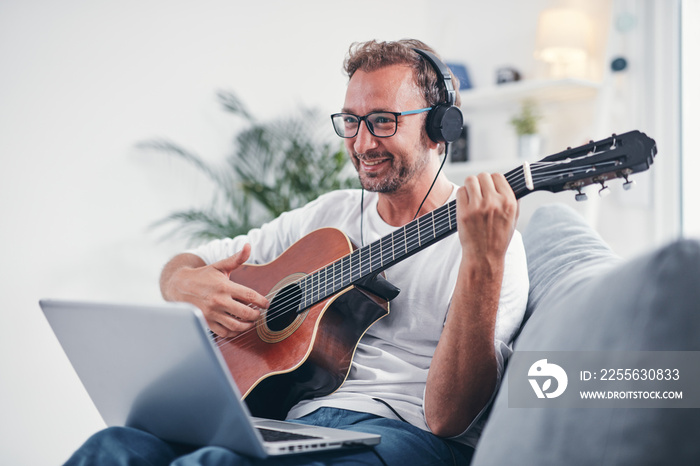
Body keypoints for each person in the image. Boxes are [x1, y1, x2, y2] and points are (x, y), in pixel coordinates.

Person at [64, 39, 528, 466]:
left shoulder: (490, 241)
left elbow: (451, 419)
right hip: (295, 419)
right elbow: (190, 263)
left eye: (383, 121)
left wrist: (482, 262)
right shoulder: (329, 215)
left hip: (403, 435)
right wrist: (182, 283)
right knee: (110, 447)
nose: (362, 143)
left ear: (440, 126)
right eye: (351, 121)